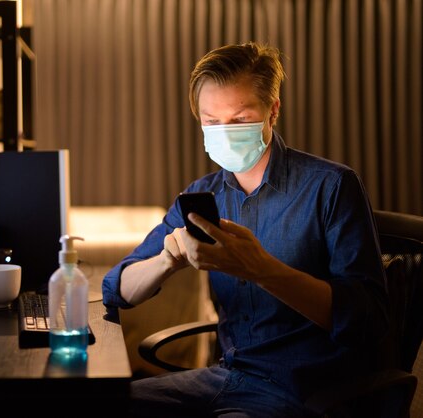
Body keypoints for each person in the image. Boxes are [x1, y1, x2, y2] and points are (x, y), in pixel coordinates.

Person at [102, 42, 389, 417]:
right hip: (225, 377)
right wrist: (166, 261)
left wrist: (261, 269)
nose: (224, 132)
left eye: (238, 120)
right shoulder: (201, 197)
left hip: (304, 389)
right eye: (211, 121)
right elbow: (116, 288)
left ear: (273, 111)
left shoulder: (330, 187)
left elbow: (367, 322)